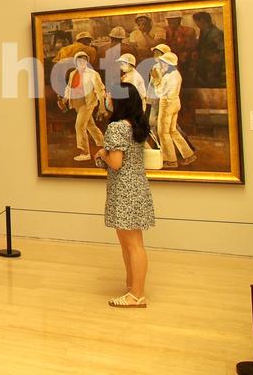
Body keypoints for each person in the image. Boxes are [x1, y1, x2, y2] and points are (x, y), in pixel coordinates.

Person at [93, 81, 155, 308]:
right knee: (132, 243)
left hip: (124, 190)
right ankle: (132, 286)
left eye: (110, 96)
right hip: (137, 187)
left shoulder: (117, 127)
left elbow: (116, 162)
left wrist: (102, 153)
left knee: (133, 245)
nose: (107, 99)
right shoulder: (136, 125)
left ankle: (137, 295)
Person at [62, 51, 106, 161]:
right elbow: (69, 88)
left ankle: (85, 152)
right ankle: (104, 143)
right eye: (79, 61)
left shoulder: (93, 74)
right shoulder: (73, 74)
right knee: (90, 125)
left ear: (87, 61)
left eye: (84, 60)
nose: (82, 63)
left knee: (79, 126)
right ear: (76, 62)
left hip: (88, 103)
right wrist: (65, 98)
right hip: (77, 103)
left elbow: (100, 90)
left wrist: (102, 105)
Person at [157, 52, 197, 168]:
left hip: (167, 104)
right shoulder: (177, 74)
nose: (161, 65)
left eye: (162, 63)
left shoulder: (167, 77)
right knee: (173, 130)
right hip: (175, 102)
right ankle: (188, 154)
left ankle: (170, 160)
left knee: (163, 132)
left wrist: (156, 80)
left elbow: (159, 93)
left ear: (168, 64)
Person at [145, 43, 171, 141]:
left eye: (157, 53)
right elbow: (152, 84)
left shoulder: (167, 68)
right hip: (154, 97)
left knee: (156, 121)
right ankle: (157, 143)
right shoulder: (156, 66)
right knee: (153, 121)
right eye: (154, 53)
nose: (155, 55)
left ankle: (158, 143)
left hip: (162, 97)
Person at [192, 11, 225, 87]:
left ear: (202, 21)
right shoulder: (203, 31)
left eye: (197, 22)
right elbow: (200, 45)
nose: (196, 24)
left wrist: (214, 57)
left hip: (213, 61)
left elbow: (221, 49)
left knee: (211, 81)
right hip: (205, 59)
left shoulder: (216, 33)